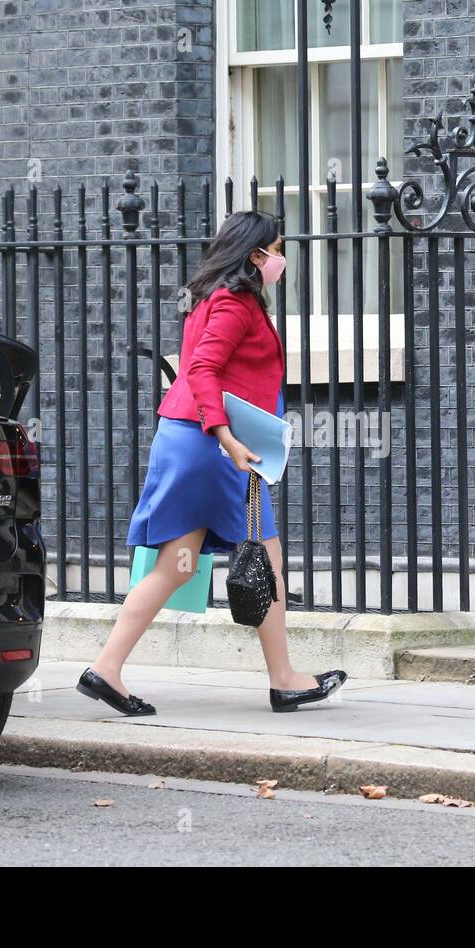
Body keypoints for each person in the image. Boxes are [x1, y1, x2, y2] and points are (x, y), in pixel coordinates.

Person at [76, 211, 347, 716]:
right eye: (276, 248)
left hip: (188, 438)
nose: (281, 259)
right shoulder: (233, 303)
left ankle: (105, 670)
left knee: (176, 565)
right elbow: (202, 368)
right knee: (267, 556)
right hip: (214, 447)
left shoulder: (211, 299)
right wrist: (225, 438)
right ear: (255, 254)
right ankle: (284, 679)